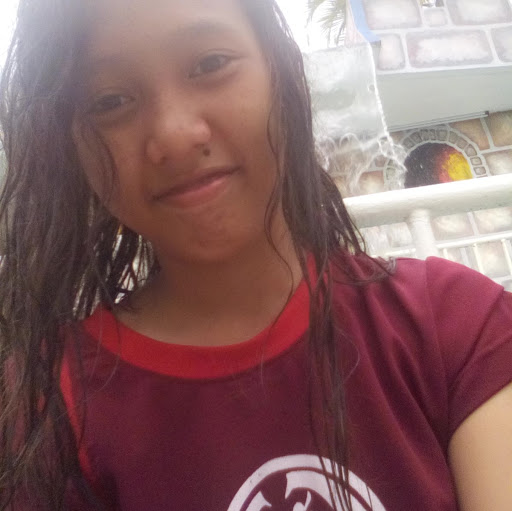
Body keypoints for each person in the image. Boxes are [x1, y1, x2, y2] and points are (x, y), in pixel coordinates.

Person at [0, 0, 511, 509]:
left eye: (210, 63)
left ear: (280, 74)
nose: (175, 136)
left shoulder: (454, 324)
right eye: (110, 101)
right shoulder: (48, 405)